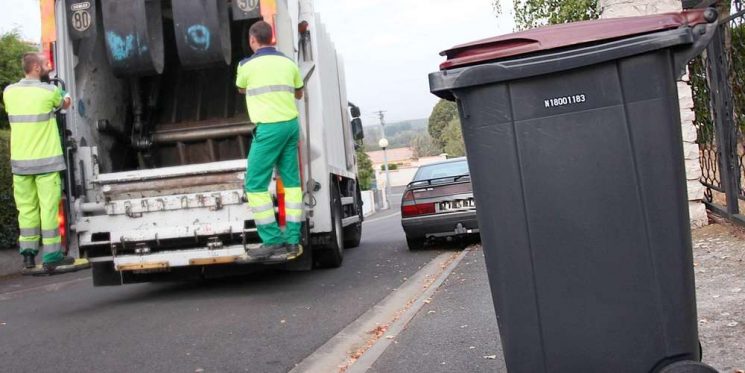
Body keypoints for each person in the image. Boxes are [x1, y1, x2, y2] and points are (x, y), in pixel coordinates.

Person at [236, 21, 304, 261]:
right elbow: (299, 92)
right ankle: (294, 241)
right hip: (291, 126)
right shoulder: (288, 62)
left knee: (254, 184)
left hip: (269, 129)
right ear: (272, 38)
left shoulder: (246, 66)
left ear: (253, 40)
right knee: (292, 183)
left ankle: (272, 240)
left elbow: (241, 89)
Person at [3, 52, 74, 271]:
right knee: (48, 209)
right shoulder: (49, 91)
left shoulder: (9, 92)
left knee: (26, 211)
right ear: (35, 68)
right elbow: (65, 103)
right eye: (44, 64)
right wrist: (65, 92)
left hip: (21, 164)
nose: (48, 66)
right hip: (46, 163)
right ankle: (52, 256)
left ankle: (28, 256)